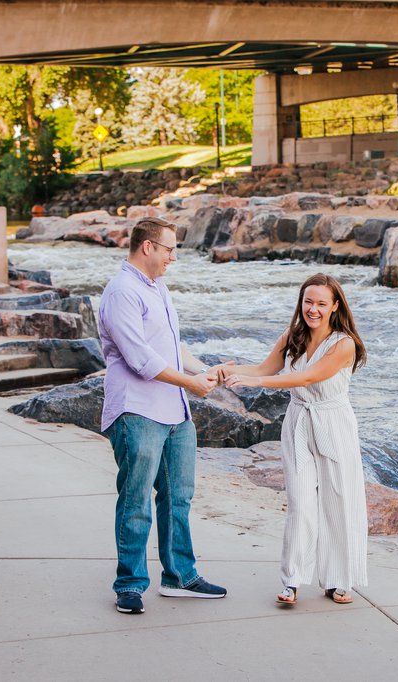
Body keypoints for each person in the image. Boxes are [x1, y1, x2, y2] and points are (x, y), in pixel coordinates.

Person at [98, 216, 228, 615]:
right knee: (136, 500)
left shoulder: (158, 288)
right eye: (170, 248)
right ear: (147, 247)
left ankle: (179, 577)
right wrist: (192, 385)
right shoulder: (121, 292)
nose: (174, 256)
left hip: (174, 410)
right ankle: (131, 584)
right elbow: (140, 360)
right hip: (138, 409)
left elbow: (172, 348)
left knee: (178, 497)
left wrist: (203, 370)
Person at [221, 273, 368, 606]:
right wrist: (230, 371)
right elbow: (264, 369)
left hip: (334, 423)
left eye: (320, 303)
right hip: (300, 420)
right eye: (308, 302)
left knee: (339, 501)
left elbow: (304, 376)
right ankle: (292, 580)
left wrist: (252, 383)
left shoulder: (344, 344)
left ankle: (338, 579)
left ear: (334, 307)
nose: (312, 309)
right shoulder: (293, 335)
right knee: (301, 502)